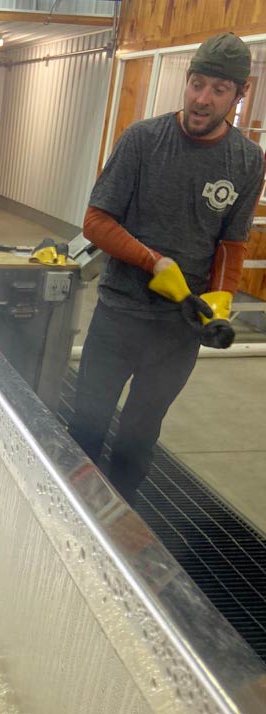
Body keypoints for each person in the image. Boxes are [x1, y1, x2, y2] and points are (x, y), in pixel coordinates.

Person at [69, 32, 264, 505]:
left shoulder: (246, 160)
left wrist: (218, 303)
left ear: (240, 94)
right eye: (196, 84)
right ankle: (71, 509)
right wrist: (153, 260)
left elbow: (230, 246)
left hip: (178, 331)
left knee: (140, 433)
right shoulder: (143, 140)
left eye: (219, 90)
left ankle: (123, 524)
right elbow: (96, 222)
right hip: (119, 315)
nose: (202, 99)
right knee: (86, 425)